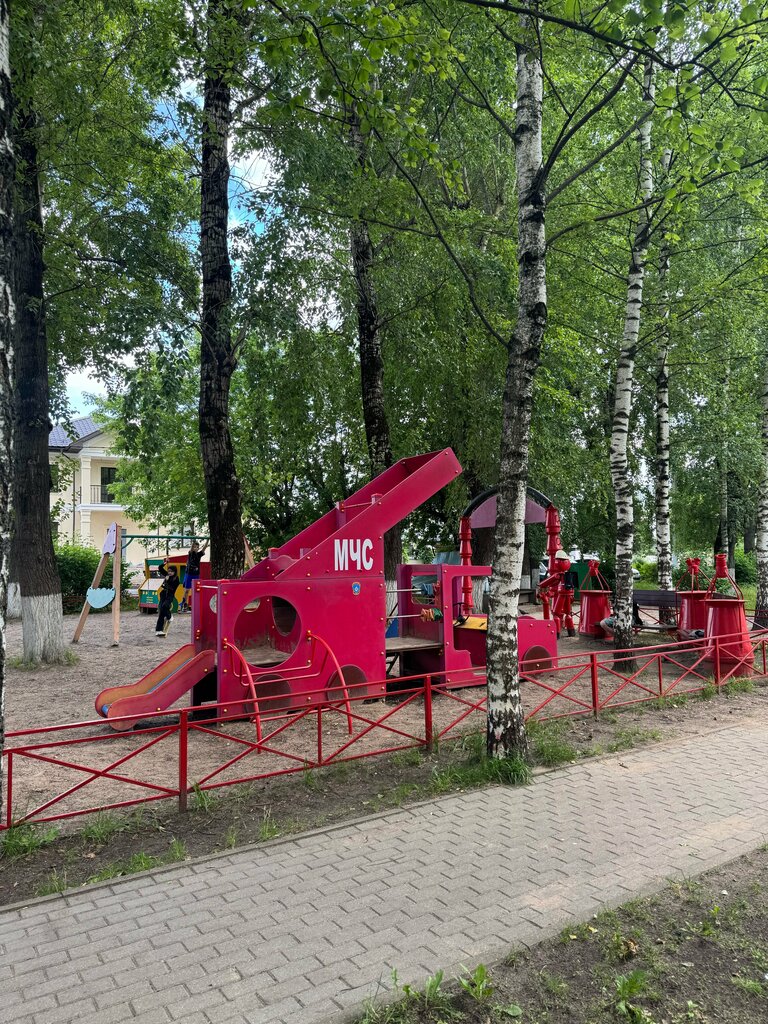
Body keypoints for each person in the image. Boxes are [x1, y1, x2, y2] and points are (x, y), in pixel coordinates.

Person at [179, 539, 208, 612]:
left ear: (198, 548)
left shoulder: (199, 554)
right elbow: (191, 549)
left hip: (196, 574)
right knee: (187, 590)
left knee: (196, 589)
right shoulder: (190, 553)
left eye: (197, 547)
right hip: (189, 573)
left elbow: (204, 548)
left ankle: (195, 605)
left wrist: (207, 541)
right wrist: (193, 544)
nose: (195, 548)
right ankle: (184, 603)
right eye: (194, 547)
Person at [155, 560, 180, 636]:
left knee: (165, 606)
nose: (169, 572)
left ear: (174, 572)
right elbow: (160, 568)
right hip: (163, 594)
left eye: (171, 571)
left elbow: (172, 588)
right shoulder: (167, 575)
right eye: (168, 571)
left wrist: (167, 581)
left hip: (170, 594)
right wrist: (165, 563)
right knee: (161, 612)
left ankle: (169, 616)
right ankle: (159, 630)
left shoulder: (176, 579)